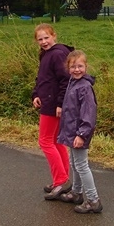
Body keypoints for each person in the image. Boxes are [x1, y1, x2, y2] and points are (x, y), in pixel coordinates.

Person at [57, 50, 103, 213]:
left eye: (80, 66)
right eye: (73, 66)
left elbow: (88, 113)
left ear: (86, 66)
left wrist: (82, 135)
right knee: (74, 163)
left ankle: (93, 200)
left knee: (82, 165)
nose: (77, 70)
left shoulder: (84, 87)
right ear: (68, 68)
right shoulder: (72, 82)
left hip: (79, 133)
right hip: (71, 130)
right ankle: (76, 193)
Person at [32, 23, 73, 200]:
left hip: (53, 105)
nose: (43, 41)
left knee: (45, 142)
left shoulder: (57, 54)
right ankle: (63, 179)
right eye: (40, 39)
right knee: (56, 141)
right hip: (48, 101)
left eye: (46, 37)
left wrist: (60, 104)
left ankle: (60, 180)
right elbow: (42, 78)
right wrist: (35, 94)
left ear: (54, 36)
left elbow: (66, 80)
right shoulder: (47, 54)